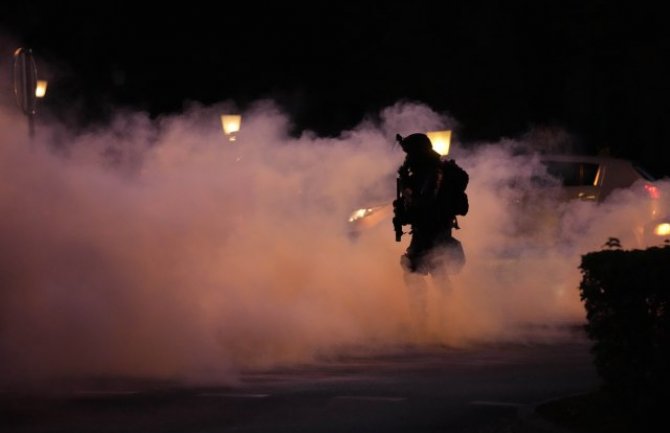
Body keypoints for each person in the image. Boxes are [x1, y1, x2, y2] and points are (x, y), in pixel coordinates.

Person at [393, 133, 466, 333]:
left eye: (410, 152)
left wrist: (407, 195)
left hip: (433, 230)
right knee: (432, 273)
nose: (407, 156)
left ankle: (430, 322)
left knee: (418, 273)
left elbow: (424, 203)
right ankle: (438, 320)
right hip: (429, 230)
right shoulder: (423, 172)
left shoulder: (433, 173)